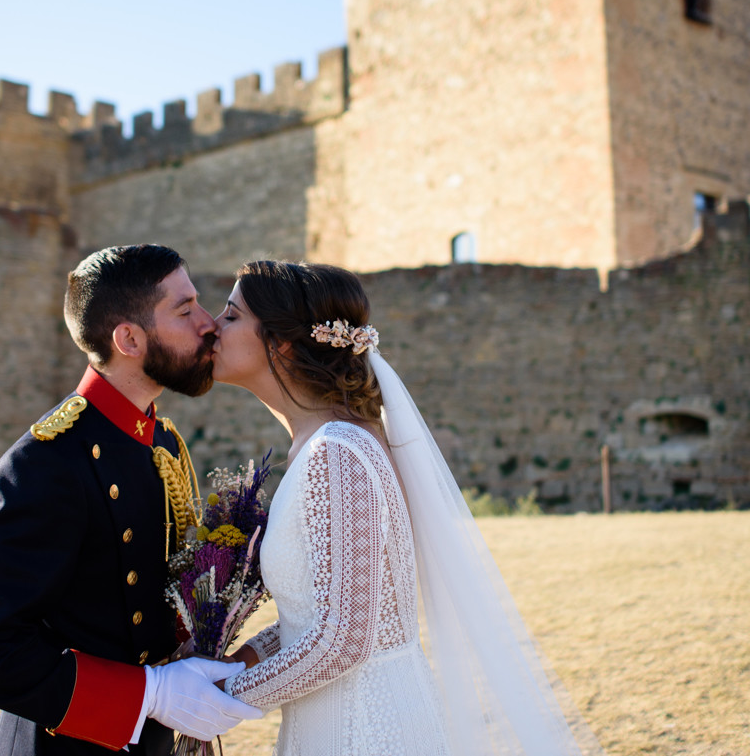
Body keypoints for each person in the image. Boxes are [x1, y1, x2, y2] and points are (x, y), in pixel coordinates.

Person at [211, 260, 584, 756]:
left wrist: (218, 701)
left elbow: (343, 641)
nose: (213, 326)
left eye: (231, 316)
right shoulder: (326, 445)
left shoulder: (337, 454)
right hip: (339, 724)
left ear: (278, 342)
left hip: (367, 731)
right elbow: (321, 616)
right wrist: (240, 661)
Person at [0, 244, 261, 755]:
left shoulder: (162, 444)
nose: (209, 325)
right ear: (129, 338)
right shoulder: (47, 463)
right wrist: (151, 694)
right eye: (185, 310)